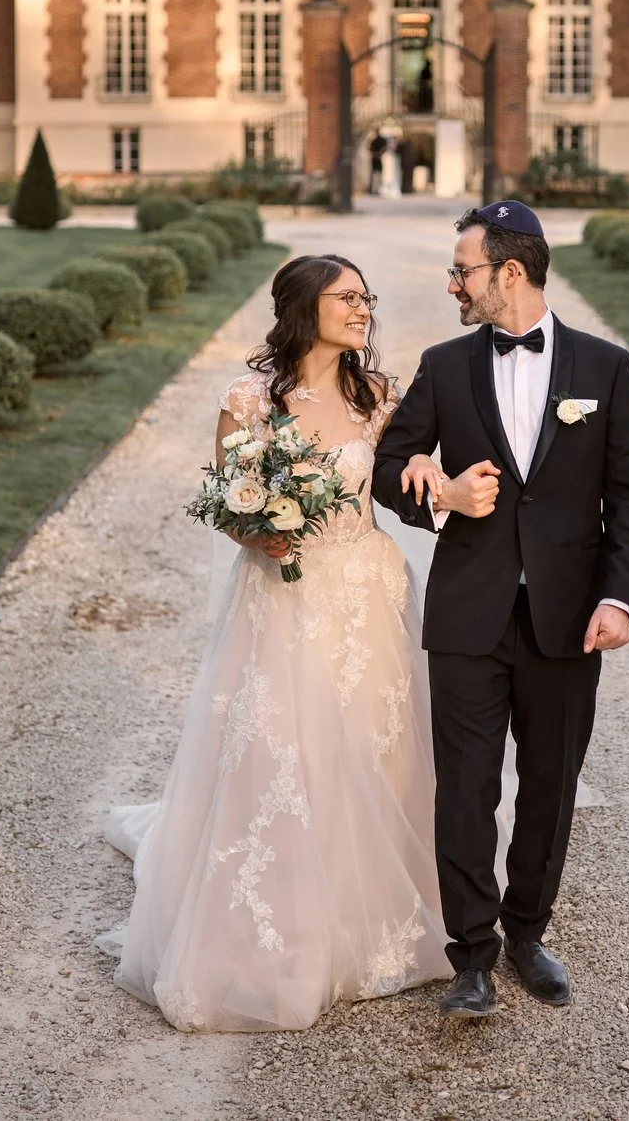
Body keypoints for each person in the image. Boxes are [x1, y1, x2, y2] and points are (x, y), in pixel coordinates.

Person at [101, 255, 449, 1031]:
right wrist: (261, 531)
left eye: (368, 296)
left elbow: (407, 472)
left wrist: (434, 472)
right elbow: (227, 503)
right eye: (348, 297)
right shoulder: (247, 399)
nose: (364, 308)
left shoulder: (380, 397)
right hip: (281, 598)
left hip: (366, 588)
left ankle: (370, 907)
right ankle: (284, 916)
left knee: (373, 748)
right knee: (279, 749)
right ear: (304, 307)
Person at [372, 200, 629, 1019]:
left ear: (511, 273)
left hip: (569, 619)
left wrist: (618, 596)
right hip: (468, 612)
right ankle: (473, 956)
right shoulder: (445, 364)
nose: (452, 284)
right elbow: (389, 466)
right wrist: (444, 494)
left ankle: (528, 932)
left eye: (462, 270)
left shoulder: (605, 368)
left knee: (550, 784)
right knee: (463, 788)